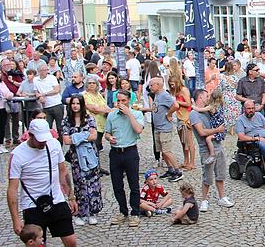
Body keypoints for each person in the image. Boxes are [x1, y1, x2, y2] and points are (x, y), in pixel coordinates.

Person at [7, 119, 77, 247]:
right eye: (40, 140)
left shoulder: (54, 145)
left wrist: (71, 196)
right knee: (36, 244)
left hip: (56, 200)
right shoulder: (17, 155)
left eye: (45, 139)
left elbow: (63, 172)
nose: (43, 143)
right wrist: (15, 219)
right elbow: (12, 189)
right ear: (30, 135)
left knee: (71, 241)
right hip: (32, 205)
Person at [104, 90, 145, 227]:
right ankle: (123, 211)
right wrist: (109, 137)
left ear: (129, 101)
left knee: (133, 183)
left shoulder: (137, 114)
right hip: (115, 152)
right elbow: (107, 133)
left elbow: (138, 130)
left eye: (124, 101)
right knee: (117, 184)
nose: (120, 103)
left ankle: (135, 212)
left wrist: (129, 114)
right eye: (118, 101)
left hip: (130, 151)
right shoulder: (111, 115)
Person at [189, 89, 235, 212]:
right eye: (206, 96)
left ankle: (222, 197)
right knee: (207, 176)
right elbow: (202, 132)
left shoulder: (209, 109)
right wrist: (217, 130)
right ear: (200, 97)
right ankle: (204, 200)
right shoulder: (194, 114)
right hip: (206, 149)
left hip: (218, 145)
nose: (208, 98)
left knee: (220, 173)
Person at [61, 95, 102, 227]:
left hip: (90, 154)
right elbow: (66, 140)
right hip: (76, 157)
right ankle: (81, 212)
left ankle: (92, 212)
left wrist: (76, 137)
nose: (75, 106)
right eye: (73, 103)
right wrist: (84, 136)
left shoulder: (89, 119)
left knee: (93, 183)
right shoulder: (66, 121)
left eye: (78, 103)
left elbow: (94, 136)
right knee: (80, 184)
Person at [149, 77, 183, 182]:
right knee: (163, 152)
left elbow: (176, 105)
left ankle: (178, 171)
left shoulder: (164, 95)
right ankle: (170, 169)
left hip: (164, 128)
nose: (150, 87)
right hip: (158, 127)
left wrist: (168, 114)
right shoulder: (157, 95)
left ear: (158, 85)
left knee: (167, 151)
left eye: (151, 85)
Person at [171, 75, 195, 170]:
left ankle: (192, 163)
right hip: (179, 116)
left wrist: (177, 102)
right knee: (183, 141)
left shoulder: (184, 90)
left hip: (186, 117)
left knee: (189, 141)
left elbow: (188, 103)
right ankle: (186, 161)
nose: (172, 86)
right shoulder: (176, 91)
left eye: (173, 84)